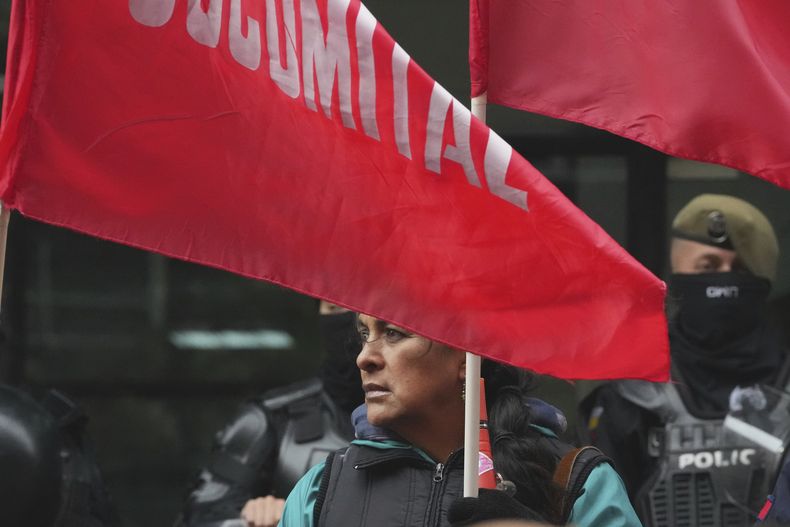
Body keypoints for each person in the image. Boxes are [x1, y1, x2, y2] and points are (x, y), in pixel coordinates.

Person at [278, 313, 640, 526]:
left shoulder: (576, 481)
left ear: (466, 359)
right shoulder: (323, 487)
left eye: (393, 333)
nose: (365, 358)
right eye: (364, 334)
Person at [579, 194, 788, 526]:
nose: (724, 280)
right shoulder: (633, 392)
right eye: (708, 268)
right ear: (678, 273)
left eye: (738, 270)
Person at [177, 301, 364, 527]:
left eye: (356, 306)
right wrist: (259, 520)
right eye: (333, 308)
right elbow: (202, 516)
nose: (347, 318)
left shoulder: (415, 422)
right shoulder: (273, 419)